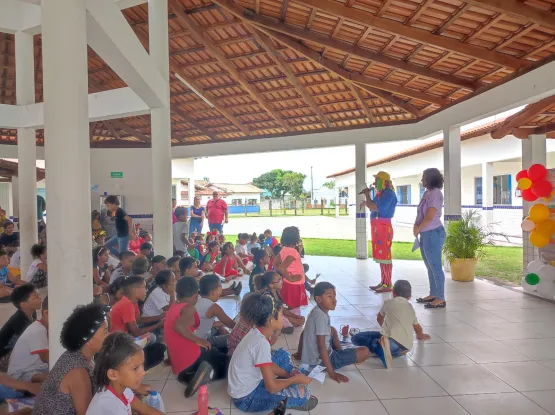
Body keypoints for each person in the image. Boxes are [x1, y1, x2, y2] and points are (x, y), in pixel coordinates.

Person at [228, 293, 317, 412]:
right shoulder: (261, 343)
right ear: (271, 321)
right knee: (302, 393)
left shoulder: (257, 332)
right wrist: (293, 380)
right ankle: (293, 393)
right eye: (281, 315)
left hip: (252, 382)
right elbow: (272, 387)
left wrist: (287, 375)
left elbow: (267, 363)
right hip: (246, 399)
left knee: (282, 354)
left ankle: (287, 382)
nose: (283, 318)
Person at [33, 303, 110, 415]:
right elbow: (87, 413)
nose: (109, 335)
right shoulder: (78, 372)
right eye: (105, 331)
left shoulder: (81, 356)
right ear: (88, 340)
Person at [164, 277, 226, 398]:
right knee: (230, 365)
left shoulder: (173, 308)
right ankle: (202, 373)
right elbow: (179, 326)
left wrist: (171, 360)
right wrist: (199, 340)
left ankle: (189, 376)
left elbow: (170, 335)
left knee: (215, 353)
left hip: (180, 366)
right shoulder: (189, 307)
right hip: (193, 358)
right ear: (196, 295)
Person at [298, 282, 370, 383]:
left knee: (332, 330)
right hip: (321, 361)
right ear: (318, 299)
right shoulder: (321, 317)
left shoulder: (316, 310)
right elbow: (321, 346)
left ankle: (341, 353)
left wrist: (300, 353)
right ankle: (340, 358)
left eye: (334, 296)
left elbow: (304, 333)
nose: (334, 300)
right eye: (329, 296)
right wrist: (331, 373)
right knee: (365, 351)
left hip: (311, 357)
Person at [352, 280, 430, 368]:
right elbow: (417, 327)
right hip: (404, 349)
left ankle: (378, 346)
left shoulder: (388, 303)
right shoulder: (410, 308)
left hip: (391, 343)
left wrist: (386, 329)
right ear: (409, 297)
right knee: (385, 340)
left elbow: (379, 318)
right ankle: (381, 347)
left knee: (355, 338)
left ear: (393, 293)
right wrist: (420, 335)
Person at [87, 332, 164, 415]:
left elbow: (144, 409)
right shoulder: (112, 406)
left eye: (142, 365)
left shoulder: (121, 388)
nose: (143, 372)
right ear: (113, 374)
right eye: (135, 368)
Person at [109, 277, 166, 371]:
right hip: (117, 344)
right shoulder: (126, 304)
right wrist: (159, 325)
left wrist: (160, 317)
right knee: (158, 351)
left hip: (125, 337)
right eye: (144, 287)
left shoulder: (131, 301)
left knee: (153, 339)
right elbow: (135, 332)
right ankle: (131, 370)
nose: (146, 290)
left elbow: (138, 320)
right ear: (135, 290)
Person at [359, 171, 398, 293]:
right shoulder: (380, 194)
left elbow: (376, 207)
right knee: (381, 254)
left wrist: (368, 202)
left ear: (383, 181)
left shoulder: (389, 194)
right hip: (377, 226)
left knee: (385, 254)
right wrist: (367, 196)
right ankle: (384, 281)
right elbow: (372, 204)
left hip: (383, 226)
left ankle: (388, 284)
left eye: (377, 180)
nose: (375, 183)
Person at [414, 168, 447, 309]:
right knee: (430, 266)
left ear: (431, 179)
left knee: (436, 267)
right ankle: (433, 293)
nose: (422, 180)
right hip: (426, 233)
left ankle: (440, 298)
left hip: (433, 233)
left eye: (424, 178)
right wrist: (417, 226)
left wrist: (419, 227)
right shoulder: (427, 193)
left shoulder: (436, 194)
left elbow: (430, 215)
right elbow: (422, 213)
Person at [8, 296, 49, 383]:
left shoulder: (46, 329)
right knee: (56, 379)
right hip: (20, 374)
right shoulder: (38, 330)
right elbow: (45, 357)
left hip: (36, 368)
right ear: (46, 313)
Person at [0, 285, 41, 363]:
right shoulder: (19, 321)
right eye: (36, 297)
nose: (40, 298)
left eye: (39, 295)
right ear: (24, 305)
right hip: (5, 352)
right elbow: (23, 343)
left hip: (17, 345)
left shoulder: (32, 312)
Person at [196, 274, 236, 351]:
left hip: (195, 338)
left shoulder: (198, 300)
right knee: (231, 337)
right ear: (213, 292)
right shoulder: (213, 307)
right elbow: (231, 324)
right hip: (203, 342)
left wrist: (221, 324)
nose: (222, 288)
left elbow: (205, 322)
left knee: (220, 327)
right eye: (220, 286)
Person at [274, 227, 307, 311]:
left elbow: (275, 264)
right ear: (296, 238)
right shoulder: (293, 252)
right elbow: (282, 267)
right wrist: (290, 278)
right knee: (294, 308)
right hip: (295, 284)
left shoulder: (284, 250)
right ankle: (292, 322)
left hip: (288, 283)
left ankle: (291, 321)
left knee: (291, 306)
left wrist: (286, 275)